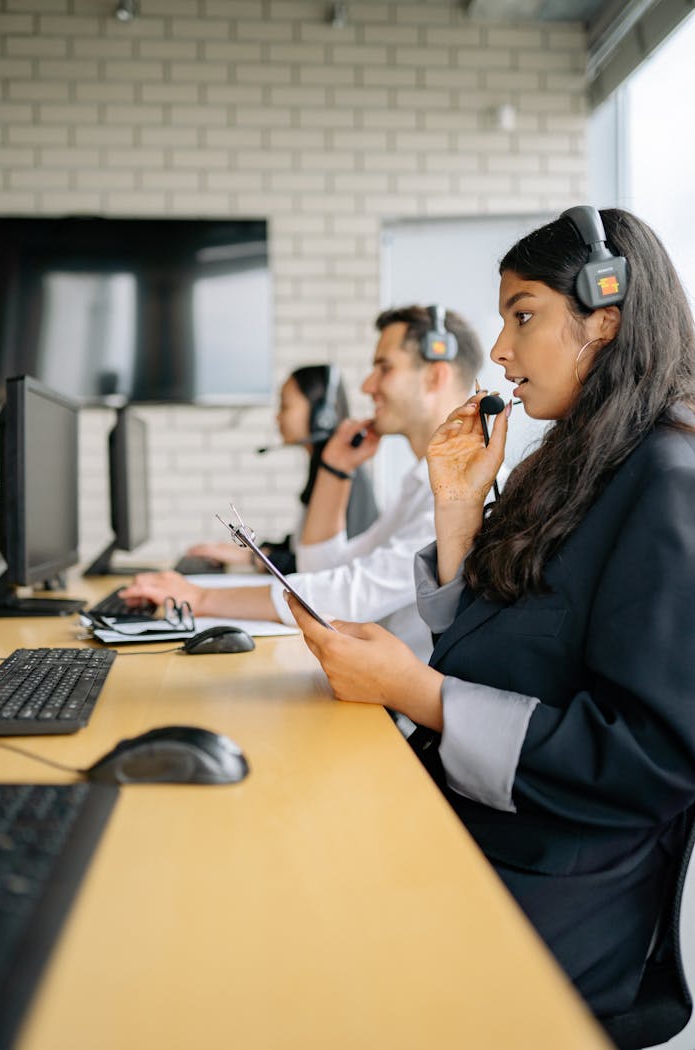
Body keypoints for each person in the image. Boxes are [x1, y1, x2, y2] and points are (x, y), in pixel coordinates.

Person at [284, 207, 695, 1020]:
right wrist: (458, 510)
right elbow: (497, 644)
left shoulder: (668, 481)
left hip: (558, 881)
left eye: (523, 315)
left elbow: (646, 758)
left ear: (605, 317)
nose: (501, 349)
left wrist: (414, 691)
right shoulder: (579, 464)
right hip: (492, 826)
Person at [121, 305, 483, 661]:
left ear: (435, 376)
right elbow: (322, 570)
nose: (367, 385)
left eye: (384, 368)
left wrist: (202, 599)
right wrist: (334, 469)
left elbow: (351, 596)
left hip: (402, 698)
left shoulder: (464, 492)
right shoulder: (417, 484)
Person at [181, 364, 378, 575]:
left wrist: (251, 558)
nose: (277, 417)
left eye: (285, 406)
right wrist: (253, 551)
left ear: (322, 415)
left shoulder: (341, 477)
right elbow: (301, 545)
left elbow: (324, 568)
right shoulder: (321, 469)